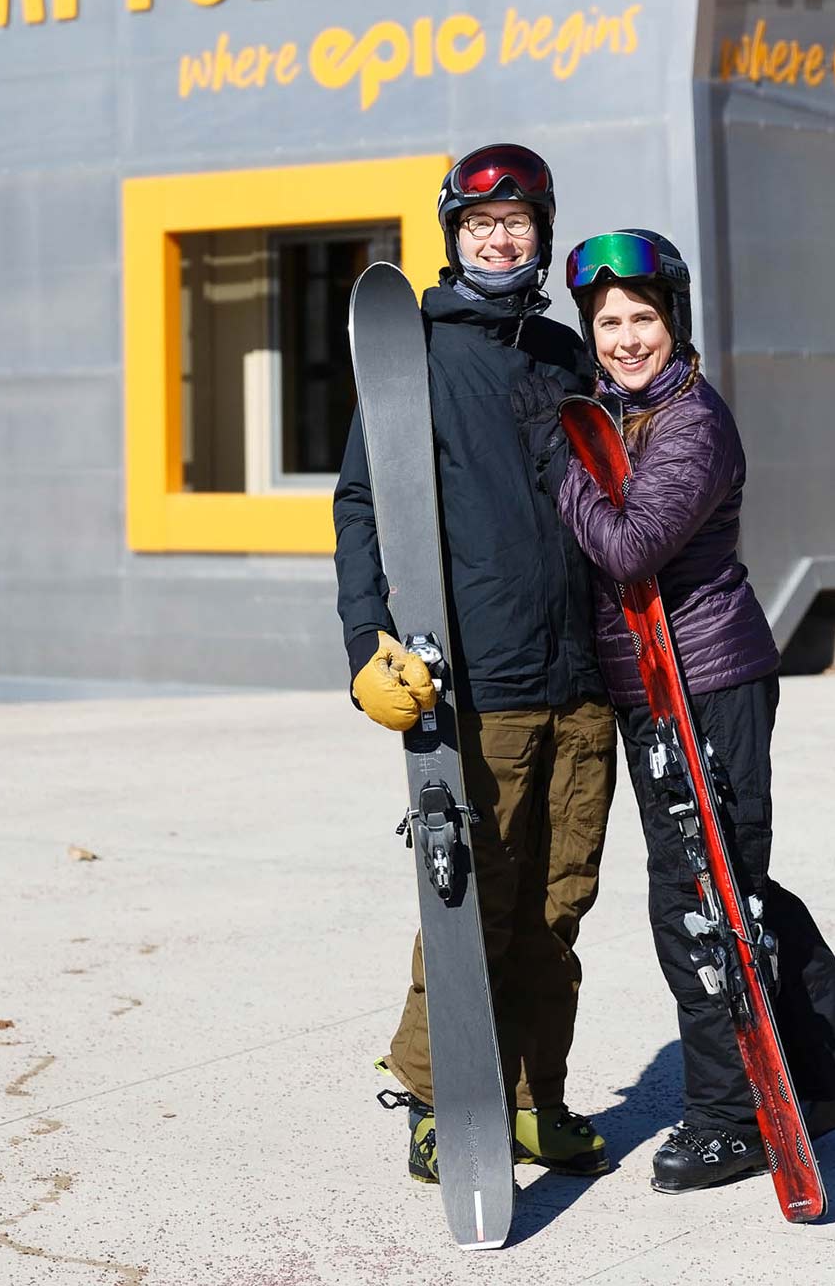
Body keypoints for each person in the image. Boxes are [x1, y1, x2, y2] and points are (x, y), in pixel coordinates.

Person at [556, 228, 835, 1194]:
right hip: (653, 690)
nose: (624, 338)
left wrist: (560, 463)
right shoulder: (621, 415)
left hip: (708, 684)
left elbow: (629, 547)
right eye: (608, 321)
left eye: (642, 319)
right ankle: (827, 1080)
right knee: (729, 886)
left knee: (700, 902)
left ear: (676, 324)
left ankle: (728, 1116)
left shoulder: (691, 421)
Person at [333, 144, 617, 1185]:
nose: (500, 238)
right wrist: (369, 636)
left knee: (559, 901)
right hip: (477, 680)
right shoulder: (419, 351)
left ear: (542, 233)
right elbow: (364, 501)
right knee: (470, 907)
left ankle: (535, 1097)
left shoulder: (563, 354)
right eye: (480, 224)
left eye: (519, 222)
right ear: (453, 232)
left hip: (582, 680)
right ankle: (436, 1095)